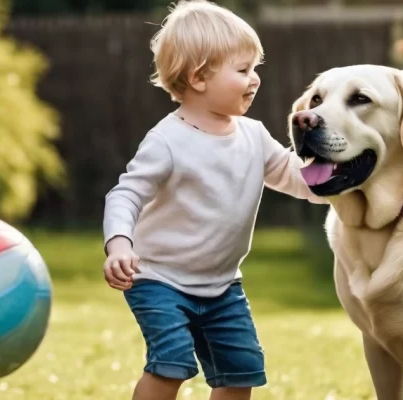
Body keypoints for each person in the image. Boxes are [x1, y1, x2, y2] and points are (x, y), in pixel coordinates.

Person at [102, 1, 326, 399]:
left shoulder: (253, 136)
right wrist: (119, 243)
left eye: (254, 68)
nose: (254, 79)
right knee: (171, 363)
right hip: (159, 279)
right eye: (242, 70)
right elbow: (126, 194)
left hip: (222, 285)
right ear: (199, 77)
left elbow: (296, 177)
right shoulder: (168, 141)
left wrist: (343, 180)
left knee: (240, 372)